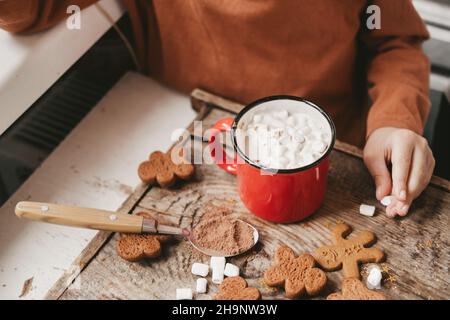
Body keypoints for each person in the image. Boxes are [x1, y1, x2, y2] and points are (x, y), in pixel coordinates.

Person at [0, 0, 435, 217]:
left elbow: (394, 40)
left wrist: (395, 119)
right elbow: (25, 11)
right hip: (183, 135)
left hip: (336, 157)